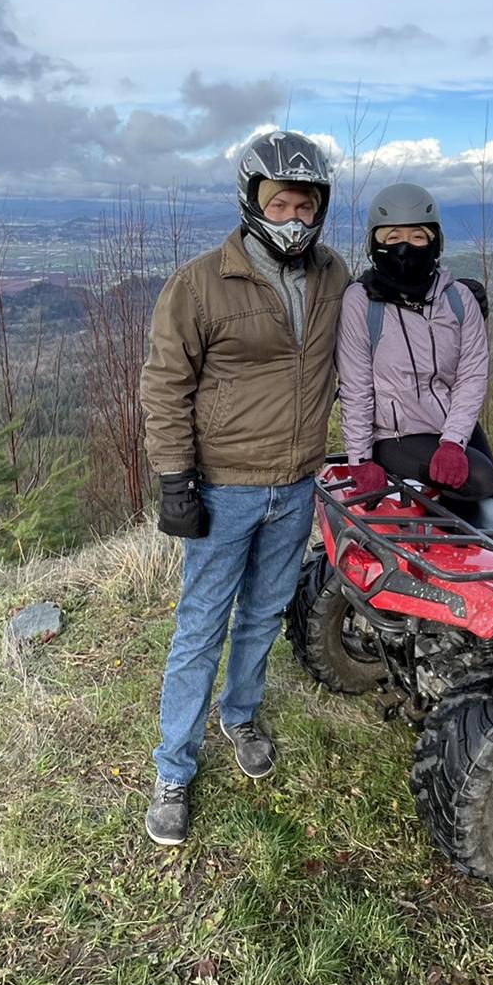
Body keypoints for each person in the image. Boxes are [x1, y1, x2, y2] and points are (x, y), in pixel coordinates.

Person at [137, 129, 350, 846]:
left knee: (262, 615)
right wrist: (174, 479)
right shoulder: (200, 283)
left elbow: (372, 329)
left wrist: (446, 294)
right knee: (201, 626)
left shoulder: (333, 276)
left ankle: (241, 714)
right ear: (253, 200)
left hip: (296, 485)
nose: (294, 215)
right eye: (280, 201)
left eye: (306, 203)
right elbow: (165, 386)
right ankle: (174, 768)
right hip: (224, 487)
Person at [337, 182, 493, 501]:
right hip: (394, 434)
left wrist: (453, 441)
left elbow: (471, 376)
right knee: (480, 480)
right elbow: (355, 387)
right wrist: (359, 460)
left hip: (448, 425)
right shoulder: (361, 302)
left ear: (434, 242)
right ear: (374, 243)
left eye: (417, 236)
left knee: (492, 501)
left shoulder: (458, 299)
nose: (405, 247)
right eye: (392, 237)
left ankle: (462, 550)